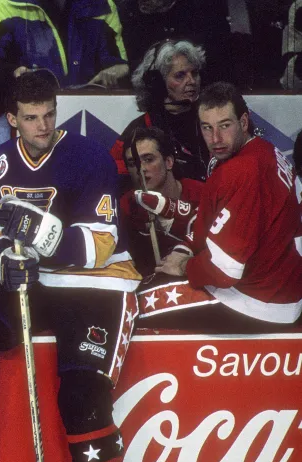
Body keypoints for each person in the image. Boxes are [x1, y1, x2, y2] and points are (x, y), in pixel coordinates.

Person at [0, 72, 140, 462]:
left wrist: (40, 246)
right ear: (12, 119)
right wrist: (3, 261)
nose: (43, 126)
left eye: (49, 115)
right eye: (31, 118)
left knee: (81, 397)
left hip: (97, 284)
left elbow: (101, 243)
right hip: (35, 280)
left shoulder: (90, 158)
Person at [140, 82, 302, 331]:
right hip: (281, 290)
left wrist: (183, 266)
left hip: (257, 302)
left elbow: (225, 271)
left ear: (244, 122)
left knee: (140, 307)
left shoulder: (242, 172)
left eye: (225, 126)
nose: (215, 139)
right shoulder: (268, 151)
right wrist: (186, 248)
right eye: (207, 128)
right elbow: (213, 224)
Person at [0, 0, 129, 151]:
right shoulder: (4, 5)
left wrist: (119, 69)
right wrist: (12, 72)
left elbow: (116, 60)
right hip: (26, 115)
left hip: (96, 113)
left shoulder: (102, 5)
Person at [110, 40, 211, 186]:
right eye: (180, 75)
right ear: (157, 83)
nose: (191, 81)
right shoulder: (138, 130)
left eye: (194, 73)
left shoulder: (214, 119)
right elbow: (117, 177)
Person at [120, 127, 203, 276]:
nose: (141, 169)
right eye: (133, 163)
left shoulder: (203, 194)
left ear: (169, 161)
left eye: (148, 159)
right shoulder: (126, 206)